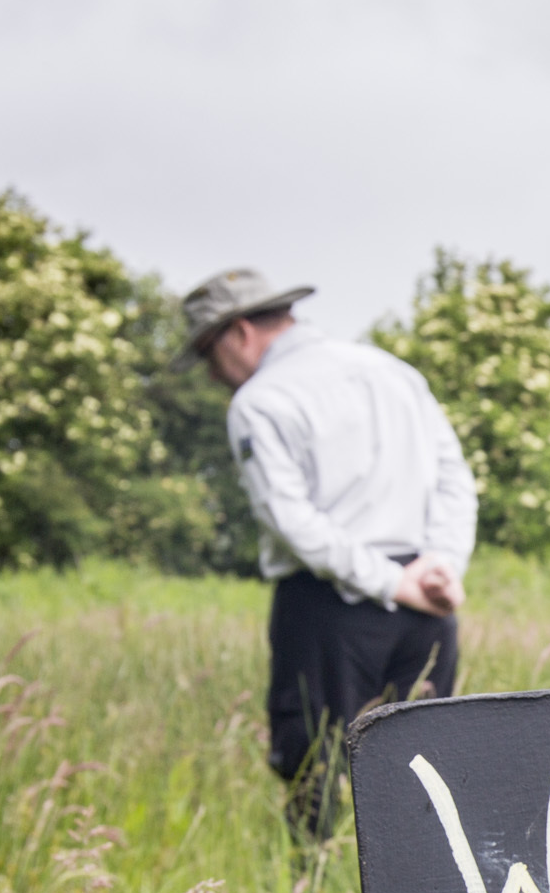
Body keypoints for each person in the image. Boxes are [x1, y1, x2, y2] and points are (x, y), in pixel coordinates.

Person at [188, 267, 475, 845]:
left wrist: (398, 584)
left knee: (313, 771)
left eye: (207, 354)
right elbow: (454, 479)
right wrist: (440, 568)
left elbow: (291, 521)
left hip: (328, 609)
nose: (212, 373)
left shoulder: (258, 401)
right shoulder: (394, 372)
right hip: (428, 606)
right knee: (423, 777)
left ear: (237, 333)